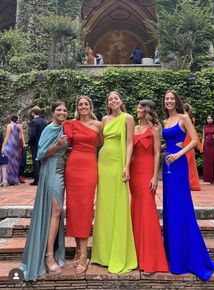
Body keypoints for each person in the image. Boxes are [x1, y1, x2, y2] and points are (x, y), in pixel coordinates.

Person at [162, 90, 214, 281]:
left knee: (181, 207)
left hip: (178, 165)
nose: (169, 101)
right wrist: (164, 149)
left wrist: (179, 154)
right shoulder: (165, 122)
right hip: (167, 165)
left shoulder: (183, 117)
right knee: (170, 208)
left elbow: (195, 141)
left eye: (172, 98)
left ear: (176, 101)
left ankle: (185, 258)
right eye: (166, 99)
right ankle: (173, 255)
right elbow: (168, 141)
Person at [21, 101, 68, 281]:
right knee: (56, 210)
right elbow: (40, 154)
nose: (62, 112)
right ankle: (49, 256)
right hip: (50, 171)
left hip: (62, 170)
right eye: (59, 110)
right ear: (53, 112)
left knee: (56, 211)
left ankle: (54, 250)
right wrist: (57, 146)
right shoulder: (49, 128)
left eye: (64, 110)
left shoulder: (65, 128)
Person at [91, 91, 137, 274]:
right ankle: (102, 254)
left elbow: (130, 143)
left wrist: (126, 166)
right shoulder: (104, 119)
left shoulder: (128, 118)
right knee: (104, 205)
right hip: (104, 162)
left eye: (116, 98)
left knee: (119, 204)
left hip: (119, 162)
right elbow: (100, 141)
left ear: (121, 101)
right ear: (108, 103)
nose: (114, 100)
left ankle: (118, 252)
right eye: (110, 99)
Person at [129, 100, 169, 274]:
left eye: (139, 108)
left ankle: (151, 259)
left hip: (146, 172)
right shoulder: (134, 128)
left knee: (148, 211)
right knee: (136, 211)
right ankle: (135, 256)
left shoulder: (154, 129)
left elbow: (157, 153)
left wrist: (155, 176)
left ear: (146, 110)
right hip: (134, 173)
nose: (137, 110)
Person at [63, 96, 102, 274]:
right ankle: (78, 250)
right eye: (80, 104)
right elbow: (66, 143)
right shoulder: (70, 124)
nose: (83, 106)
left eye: (86, 104)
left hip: (89, 166)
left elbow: (101, 142)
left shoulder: (98, 124)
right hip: (73, 166)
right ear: (77, 107)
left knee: (85, 208)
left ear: (90, 106)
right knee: (73, 207)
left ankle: (84, 254)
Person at [183, 103, 203, 191]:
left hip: (185, 141)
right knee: (190, 164)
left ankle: (188, 183)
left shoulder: (184, 118)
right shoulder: (191, 119)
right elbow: (194, 132)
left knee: (185, 164)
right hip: (189, 141)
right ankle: (192, 183)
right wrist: (198, 145)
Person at [1, 115, 23, 185]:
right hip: (15, 147)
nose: (19, 120)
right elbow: (20, 138)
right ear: (16, 119)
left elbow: (7, 137)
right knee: (14, 163)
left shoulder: (9, 125)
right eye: (18, 118)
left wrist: (3, 147)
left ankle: (5, 180)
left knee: (6, 163)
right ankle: (13, 180)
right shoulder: (20, 126)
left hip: (9, 146)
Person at [28, 106, 47, 186]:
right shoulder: (44, 121)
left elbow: (32, 135)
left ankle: (37, 180)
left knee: (36, 161)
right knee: (43, 162)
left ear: (32, 113)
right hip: (44, 143)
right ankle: (43, 179)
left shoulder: (34, 122)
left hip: (36, 144)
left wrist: (30, 143)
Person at [202, 115, 214, 185]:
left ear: (213, 119)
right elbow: (203, 138)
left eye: (210, 118)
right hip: (207, 145)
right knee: (209, 162)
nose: (209, 119)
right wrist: (202, 146)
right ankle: (210, 179)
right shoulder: (204, 127)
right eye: (208, 118)